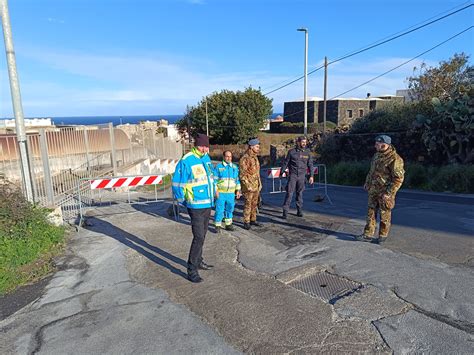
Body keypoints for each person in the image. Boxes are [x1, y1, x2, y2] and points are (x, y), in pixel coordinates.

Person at [172, 133, 218, 283]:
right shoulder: (186, 161)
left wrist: (215, 190)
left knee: (203, 235)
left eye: (207, 146)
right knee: (198, 237)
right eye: (203, 146)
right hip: (195, 205)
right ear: (197, 145)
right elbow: (177, 183)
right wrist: (183, 201)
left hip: (207, 204)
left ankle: (199, 260)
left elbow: (211, 178)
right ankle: (191, 269)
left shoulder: (206, 158)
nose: (205, 149)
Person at [356, 134, 405, 245]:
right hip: (373, 189)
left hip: (385, 192)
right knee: (371, 212)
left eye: (377, 144)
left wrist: (389, 193)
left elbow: (398, 179)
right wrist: (367, 182)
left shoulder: (395, 159)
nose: (375, 146)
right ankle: (368, 234)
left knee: (385, 214)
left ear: (384, 145)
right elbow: (371, 171)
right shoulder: (377, 156)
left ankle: (382, 236)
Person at [280, 136, 314, 219]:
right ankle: (285, 211)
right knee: (289, 193)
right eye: (302, 142)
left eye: (305, 142)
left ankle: (299, 210)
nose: (304, 144)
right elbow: (286, 163)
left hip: (302, 176)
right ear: (298, 142)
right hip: (293, 175)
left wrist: (311, 176)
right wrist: (282, 172)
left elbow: (310, 165)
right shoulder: (291, 152)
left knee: (300, 193)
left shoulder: (307, 152)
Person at [214, 150, 241, 233]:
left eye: (230, 156)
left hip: (231, 193)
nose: (229, 158)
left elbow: (236, 180)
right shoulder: (218, 167)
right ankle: (217, 225)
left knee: (230, 209)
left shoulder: (234, 167)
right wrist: (216, 191)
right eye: (227, 156)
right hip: (221, 193)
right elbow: (214, 180)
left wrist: (238, 190)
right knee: (219, 209)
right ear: (223, 157)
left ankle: (228, 224)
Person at [239, 138, 262, 230]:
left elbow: (257, 173)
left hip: (255, 185)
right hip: (248, 187)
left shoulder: (255, 157)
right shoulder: (245, 158)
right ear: (251, 147)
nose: (258, 148)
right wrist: (247, 185)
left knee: (254, 204)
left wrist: (260, 183)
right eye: (256, 147)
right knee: (248, 204)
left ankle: (253, 219)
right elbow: (242, 174)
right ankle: (246, 221)